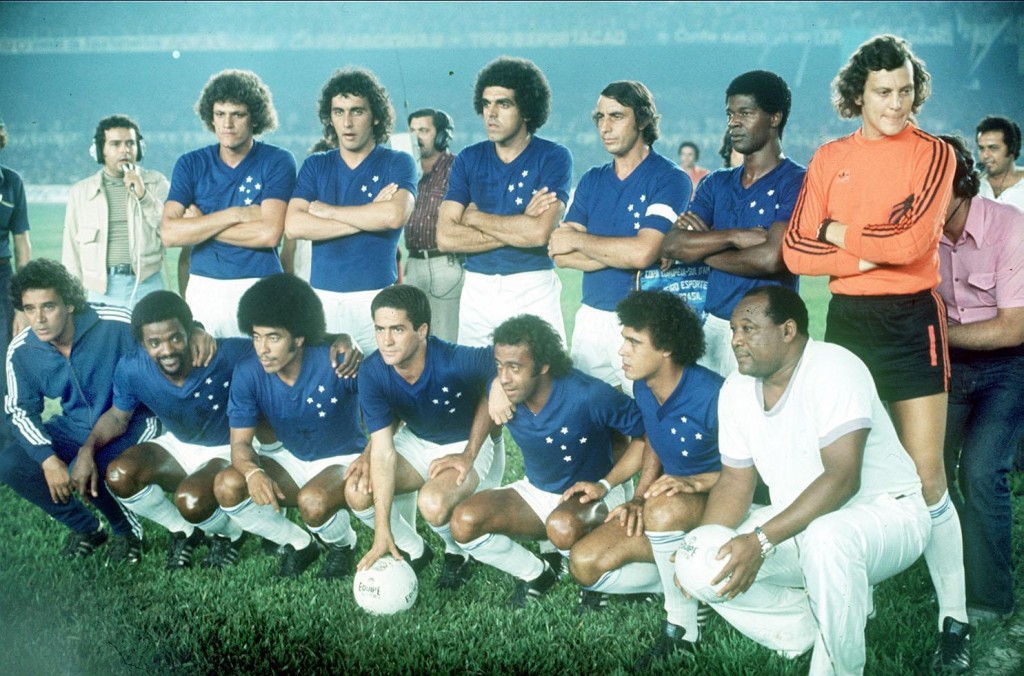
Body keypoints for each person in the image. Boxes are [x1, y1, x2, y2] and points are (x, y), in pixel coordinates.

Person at [781, 35, 970, 671]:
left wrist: (837, 233)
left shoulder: (935, 154)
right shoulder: (830, 155)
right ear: (857, 94)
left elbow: (918, 240)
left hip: (912, 320)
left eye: (906, 91)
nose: (897, 104)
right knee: (852, 471)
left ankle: (956, 620)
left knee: (926, 477)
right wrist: (868, 249)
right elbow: (794, 251)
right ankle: (852, 597)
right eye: (883, 92)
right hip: (849, 319)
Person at [675, 286, 930, 675]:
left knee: (827, 537)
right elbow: (734, 483)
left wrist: (760, 541)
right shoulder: (736, 389)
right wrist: (702, 547)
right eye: (732, 330)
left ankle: (839, 667)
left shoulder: (834, 367)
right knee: (697, 560)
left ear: (788, 330)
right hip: (797, 521)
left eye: (748, 328)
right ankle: (813, 625)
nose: (735, 340)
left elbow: (843, 479)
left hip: (886, 515)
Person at [0, 259, 211, 562]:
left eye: (49, 306)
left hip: (135, 418)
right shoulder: (22, 350)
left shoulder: (113, 322)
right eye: (30, 309)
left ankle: (128, 533)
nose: (39, 319)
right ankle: (87, 527)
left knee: (88, 466)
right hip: (75, 425)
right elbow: (20, 410)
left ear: (69, 303)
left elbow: (162, 328)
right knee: (10, 463)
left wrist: (197, 330)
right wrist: (47, 460)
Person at [563, 291, 722, 668]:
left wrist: (699, 482)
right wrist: (626, 493)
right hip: (670, 505)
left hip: (717, 504)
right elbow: (652, 438)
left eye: (634, 342)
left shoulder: (715, 394)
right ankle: (688, 584)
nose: (622, 351)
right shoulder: (643, 387)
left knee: (663, 510)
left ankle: (682, 627)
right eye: (624, 340)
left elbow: (754, 468)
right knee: (584, 565)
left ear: (666, 347)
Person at [450, 314, 644, 608]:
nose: (504, 377)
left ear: (543, 365)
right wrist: (490, 392)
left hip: (594, 494)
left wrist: (608, 483)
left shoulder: (588, 394)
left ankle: (595, 578)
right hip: (538, 491)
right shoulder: (504, 392)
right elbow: (484, 382)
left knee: (562, 527)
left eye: (515, 367)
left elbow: (647, 435)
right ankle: (538, 574)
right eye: (499, 366)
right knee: (463, 522)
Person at [74, 291, 250, 570]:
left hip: (227, 446)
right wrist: (87, 449)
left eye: (175, 337)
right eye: (154, 342)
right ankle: (184, 531)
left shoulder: (225, 353)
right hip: (179, 443)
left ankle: (231, 534)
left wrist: (334, 341)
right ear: (142, 344)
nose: (166, 350)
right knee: (119, 475)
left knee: (191, 500)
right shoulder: (132, 367)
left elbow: (279, 349)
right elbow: (118, 418)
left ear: (190, 330)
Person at [215, 274, 367, 580]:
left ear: (298, 337)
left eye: (273, 337)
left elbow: (387, 408)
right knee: (227, 486)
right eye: (256, 336)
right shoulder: (248, 372)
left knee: (313, 501)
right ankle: (299, 545)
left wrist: (372, 456)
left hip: (341, 459)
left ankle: (344, 545)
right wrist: (253, 471)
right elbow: (241, 444)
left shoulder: (337, 361)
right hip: (292, 457)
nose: (262, 348)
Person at [549, 81, 691, 396]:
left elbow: (642, 253)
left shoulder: (670, 178)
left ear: (642, 120)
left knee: (647, 420)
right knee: (593, 421)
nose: (605, 126)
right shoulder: (592, 179)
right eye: (600, 117)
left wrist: (584, 242)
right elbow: (559, 251)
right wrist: (625, 248)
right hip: (589, 317)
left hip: (641, 322)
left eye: (616, 116)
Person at [351, 285, 497, 589]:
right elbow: (382, 450)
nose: (386, 340)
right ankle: (415, 549)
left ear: (422, 330)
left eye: (397, 329)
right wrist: (381, 531)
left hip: (462, 441)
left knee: (432, 503)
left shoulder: (452, 359)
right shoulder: (372, 371)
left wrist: (470, 451)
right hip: (416, 440)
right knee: (357, 490)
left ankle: (457, 554)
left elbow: (500, 364)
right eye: (379, 329)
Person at [661, 70, 805, 377]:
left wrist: (705, 247)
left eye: (745, 113)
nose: (733, 123)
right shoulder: (716, 182)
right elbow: (673, 244)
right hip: (712, 326)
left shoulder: (796, 180)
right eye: (730, 114)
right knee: (711, 421)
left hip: (764, 327)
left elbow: (771, 258)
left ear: (775, 118)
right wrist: (736, 236)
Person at [936, 134, 1024, 624]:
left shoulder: (1010, 226)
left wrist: (939, 335)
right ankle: (950, 584)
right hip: (947, 366)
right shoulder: (920, 234)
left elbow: (1013, 327)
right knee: (931, 473)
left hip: (1007, 365)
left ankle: (991, 598)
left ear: (959, 185)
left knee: (982, 472)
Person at [436, 56, 573, 348]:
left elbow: (539, 233)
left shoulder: (553, 157)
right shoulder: (469, 159)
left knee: (543, 382)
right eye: (486, 104)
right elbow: (445, 237)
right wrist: (519, 222)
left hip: (531, 284)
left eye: (504, 104)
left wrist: (473, 217)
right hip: (476, 287)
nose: (491, 114)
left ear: (526, 110)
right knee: (474, 384)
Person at [285, 68, 416, 353]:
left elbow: (393, 216)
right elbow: (294, 225)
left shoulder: (398, 162)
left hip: (378, 301)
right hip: (323, 301)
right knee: (329, 389)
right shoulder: (316, 164)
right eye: (338, 111)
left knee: (376, 390)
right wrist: (371, 214)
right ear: (329, 116)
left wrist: (327, 212)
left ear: (376, 115)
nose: (347, 122)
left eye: (357, 111)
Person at [160, 69, 296, 337]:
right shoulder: (190, 163)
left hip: (260, 284)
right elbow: (168, 234)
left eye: (238, 114)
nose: (227, 124)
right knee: (206, 370)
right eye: (220, 114)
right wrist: (238, 214)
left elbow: (269, 234)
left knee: (259, 371)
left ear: (255, 117)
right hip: (204, 287)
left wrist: (200, 225)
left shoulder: (277, 160)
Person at [63, 114, 168, 309]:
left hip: (148, 284)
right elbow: (71, 252)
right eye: (115, 144)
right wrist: (72, 298)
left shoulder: (156, 183)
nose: (125, 150)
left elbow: (169, 231)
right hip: (101, 290)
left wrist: (144, 196)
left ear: (139, 148)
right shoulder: (80, 192)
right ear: (99, 151)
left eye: (130, 143)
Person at [404, 108, 463, 343]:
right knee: (416, 341)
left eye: (424, 130)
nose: (416, 136)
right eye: (412, 130)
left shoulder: (457, 169)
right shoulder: (407, 169)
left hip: (445, 263)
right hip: (415, 263)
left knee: (445, 338)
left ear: (441, 136)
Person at [0, 112, 32, 445]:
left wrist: (22, 303)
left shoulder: (11, 181)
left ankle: (8, 443)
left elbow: (22, 243)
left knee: (3, 360)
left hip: (3, 277)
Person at [975, 115, 1024, 210]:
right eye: (981, 148)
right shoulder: (974, 186)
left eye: (993, 148)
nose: (985, 155)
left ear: (1011, 148)